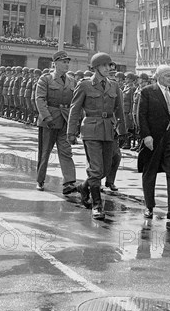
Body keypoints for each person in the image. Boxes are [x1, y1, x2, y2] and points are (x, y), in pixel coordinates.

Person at [67, 52, 125, 219]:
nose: (109, 68)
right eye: (105, 65)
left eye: (110, 65)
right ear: (96, 67)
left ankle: (84, 188)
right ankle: (97, 205)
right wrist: (71, 132)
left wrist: (122, 131)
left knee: (106, 169)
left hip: (109, 130)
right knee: (96, 169)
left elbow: (119, 110)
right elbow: (75, 109)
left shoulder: (113, 86)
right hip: (91, 130)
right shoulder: (85, 85)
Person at [137, 65, 170, 220]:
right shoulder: (147, 91)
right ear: (158, 76)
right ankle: (149, 206)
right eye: (166, 75)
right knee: (150, 173)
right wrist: (146, 136)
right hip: (154, 139)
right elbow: (141, 115)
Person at [35, 50, 77, 195]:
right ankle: (40, 180)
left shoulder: (72, 80)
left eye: (67, 62)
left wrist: (75, 122)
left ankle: (69, 182)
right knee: (45, 151)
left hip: (65, 120)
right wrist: (47, 117)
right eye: (63, 62)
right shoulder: (46, 79)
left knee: (66, 151)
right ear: (55, 63)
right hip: (50, 121)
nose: (66, 65)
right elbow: (40, 99)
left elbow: (75, 102)